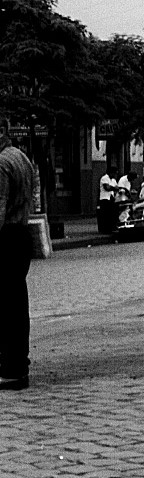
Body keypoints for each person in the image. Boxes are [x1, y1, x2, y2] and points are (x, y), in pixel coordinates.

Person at [0, 121, 37, 391]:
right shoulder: (21, 157)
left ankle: (11, 369)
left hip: (6, 237)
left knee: (6, 308)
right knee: (16, 306)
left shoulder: (1, 163)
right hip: (21, 234)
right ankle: (17, 365)